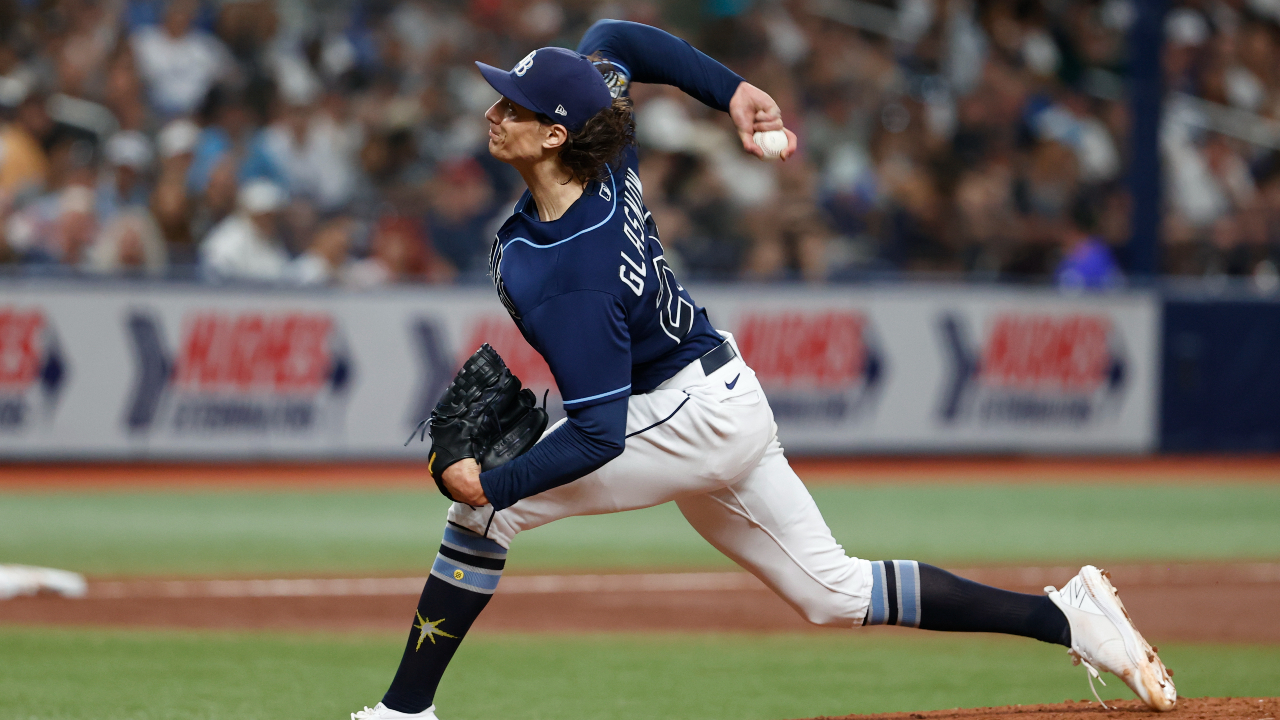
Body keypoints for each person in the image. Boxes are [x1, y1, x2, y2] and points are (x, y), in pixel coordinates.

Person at [350, 21, 1177, 720]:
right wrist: (734, 90)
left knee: (488, 519)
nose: (493, 113)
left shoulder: (571, 270)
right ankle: (1066, 617)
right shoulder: (607, 150)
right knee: (834, 594)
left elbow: (600, 434)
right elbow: (614, 40)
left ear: (556, 134)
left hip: (683, 416)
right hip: (718, 396)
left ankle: (402, 712)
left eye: (515, 107)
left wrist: (491, 487)